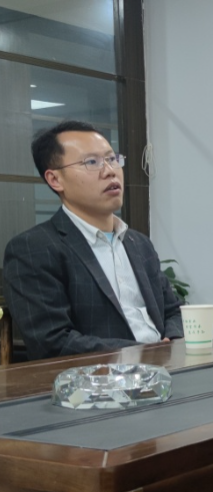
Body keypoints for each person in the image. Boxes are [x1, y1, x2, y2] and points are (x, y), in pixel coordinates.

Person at [3, 120, 183, 361]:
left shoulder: (139, 244)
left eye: (112, 159)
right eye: (91, 162)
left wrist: (171, 343)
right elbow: (53, 341)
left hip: (166, 370)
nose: (109, 171)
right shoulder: (33, 249)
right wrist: (143, 354)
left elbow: (173, 311)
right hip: (98, 380)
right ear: (55, 179)